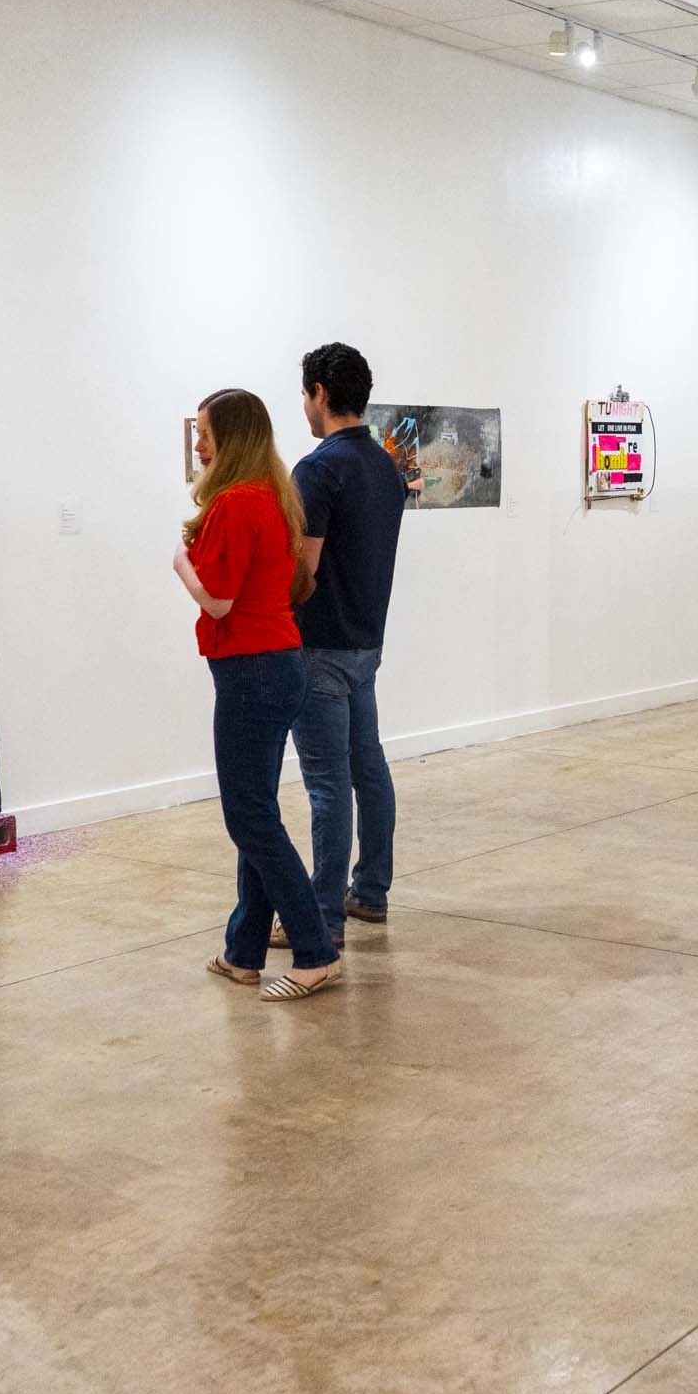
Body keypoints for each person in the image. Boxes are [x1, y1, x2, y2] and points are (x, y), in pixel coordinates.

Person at [173, 387, 341, 1001]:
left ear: (232, 438)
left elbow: (217, 598)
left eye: (206, 432)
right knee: (258, 810)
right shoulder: (273, 496)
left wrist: (180, 563)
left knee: (249, 816)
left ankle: (315, 950)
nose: (198, 441)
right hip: (279, 662)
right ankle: (243, 953)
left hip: (251, 670)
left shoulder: (236, 504)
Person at [285, 342, 407, 944]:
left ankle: (323, 918)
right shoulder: (386, 466)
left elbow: (305, 569)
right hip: (366, 642)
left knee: (328, 784)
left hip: (320, 645)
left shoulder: (317, 469)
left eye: (305, 396)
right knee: (368, 768)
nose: (304, 407)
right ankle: (371, 892)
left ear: (321, 395)